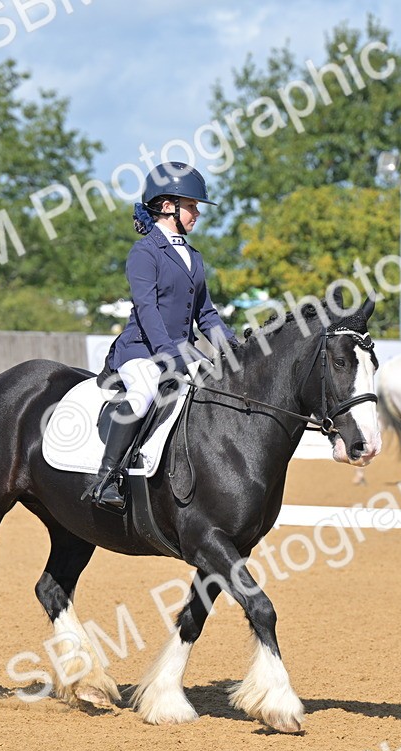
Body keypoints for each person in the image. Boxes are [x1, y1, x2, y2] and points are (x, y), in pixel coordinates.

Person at [91, 162, 239, 511]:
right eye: (192, 206)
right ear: (168, 206)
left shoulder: (194, 257)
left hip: (182, 352)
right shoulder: (144, 253)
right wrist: (167, 354)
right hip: (141, 350)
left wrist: (232, 348)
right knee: (143, 392)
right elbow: (147, 309)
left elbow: (206, 314)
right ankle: (108, 476)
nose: (197, 214)